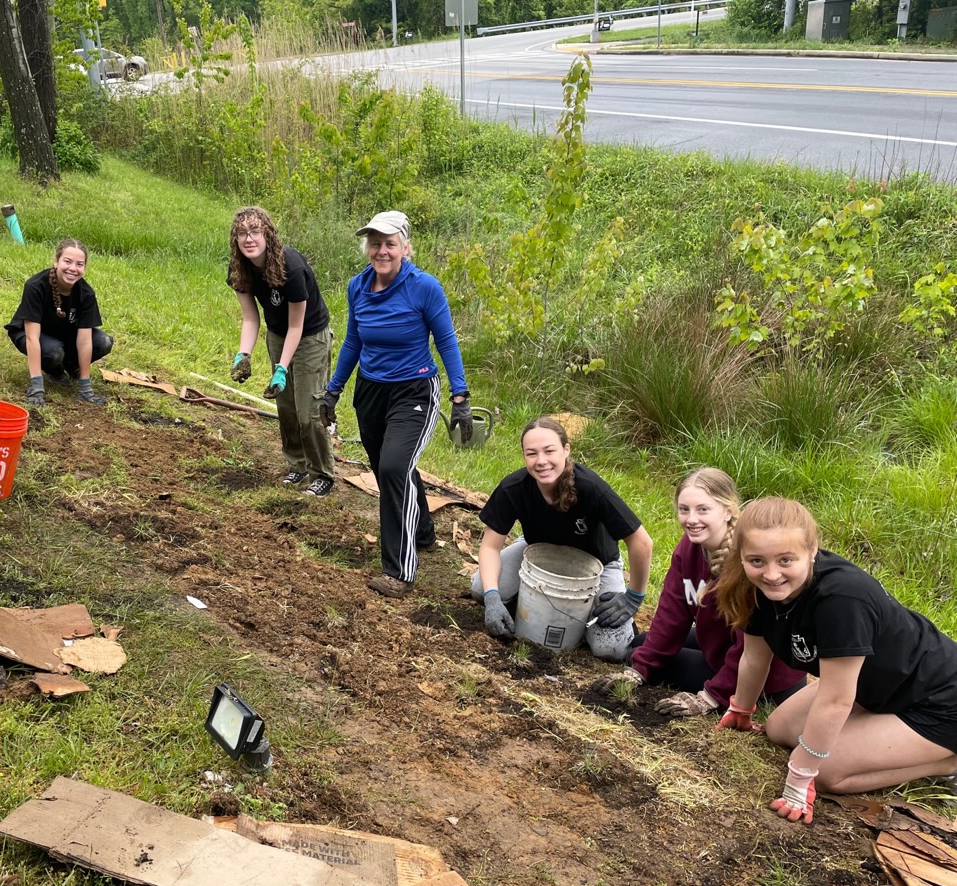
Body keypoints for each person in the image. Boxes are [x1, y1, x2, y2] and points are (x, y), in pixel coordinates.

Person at [715, 498, 957, 824]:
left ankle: (949, 761)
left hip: (938, 699)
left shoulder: (841, 599)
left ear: (812, 549)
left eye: (786, 559)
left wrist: (801, 777)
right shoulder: (755, 589)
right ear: (741, 557)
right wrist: (740, 710)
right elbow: (755, 658)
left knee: (825, 772)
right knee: (779, 729)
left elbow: (835, 699)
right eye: (757, 560)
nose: (771, 574)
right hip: (871, 688)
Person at [318, 211, 473, 598]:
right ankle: (421, 532)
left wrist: (460, 397)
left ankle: (399, 570)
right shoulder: (358, 286)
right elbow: (354, 341)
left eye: (390, 243)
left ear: (405, 247)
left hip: (414, 390)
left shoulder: (425, 288)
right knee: (391, 467)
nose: (381, 250)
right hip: (371, 391)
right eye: (375, 242)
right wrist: (334, 390)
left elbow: (446, 341)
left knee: (392, 467)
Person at [593, 468, 806, 714]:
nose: (692, 519)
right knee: (641, 649)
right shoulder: (690, 546)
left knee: (644, 657)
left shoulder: (750, 560)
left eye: (703, 509)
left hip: (764, 676)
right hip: (719, 643)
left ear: (728, 511)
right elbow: (672, 612)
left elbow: (752, 650)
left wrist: (711, 696)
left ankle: (722, 684)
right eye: (685, 510)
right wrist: (639, 669)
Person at [471, 417, 653, 662]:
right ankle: (524, 603)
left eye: (549, 451)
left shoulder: (589, 487)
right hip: (538, 553)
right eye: (531, 453)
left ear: (566, 450)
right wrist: (492, 598)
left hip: (597, 565)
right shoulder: (514, 488)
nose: (541, 461)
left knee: (611, 649)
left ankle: (584, 621)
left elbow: (641, 541)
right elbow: (490, 547)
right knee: (481, 588)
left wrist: (633, 598)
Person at [225, 206, 335, 497]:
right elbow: (250, 317)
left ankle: (322, 473)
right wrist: (243, 354)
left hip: (310, 336)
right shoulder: (239, 269)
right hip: (277, 334)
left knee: (309, 410)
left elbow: (297, 326)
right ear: (235, 239)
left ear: (268, 234)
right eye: (242, 233)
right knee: (286, 406)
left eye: (255, 231)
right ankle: (297, 465)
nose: (249, 239)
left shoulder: (292, 267)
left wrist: (282, 368)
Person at [6, 238, 114, 407]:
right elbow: (32, 338)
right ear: (56, 262)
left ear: (84, 268)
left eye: (79, 264)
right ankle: (54, 371)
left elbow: (85, 341)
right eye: (68, 261)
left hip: (64, 335)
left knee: (104, 341)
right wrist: (36, 386)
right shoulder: (35, 286)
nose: (73, 268)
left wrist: (85, 389)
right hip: (31, 335)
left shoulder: (86, 294)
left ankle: (71, 368)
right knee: (53, 352)